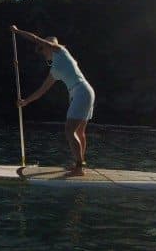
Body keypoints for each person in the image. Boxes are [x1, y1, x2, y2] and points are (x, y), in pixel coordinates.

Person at [11, 25, 95, 176]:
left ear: (49, 46)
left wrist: (17, 32)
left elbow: (35, 39)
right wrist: (26, 101)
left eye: (43, 47)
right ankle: (80, 163)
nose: (42, 50)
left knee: (70, 130)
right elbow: (42, 90)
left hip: (82, 91)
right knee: (80, 132)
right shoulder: (54, 69)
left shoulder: (61, 51)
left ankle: (79, 168)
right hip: (82, 92)